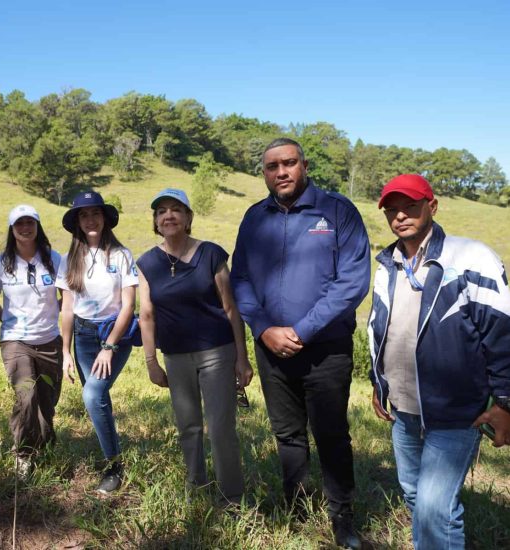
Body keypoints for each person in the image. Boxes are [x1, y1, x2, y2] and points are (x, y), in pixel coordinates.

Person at [231, 138, 370, 548]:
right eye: (272, 166)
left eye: (289, 163)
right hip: (270, 348)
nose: (281, 172)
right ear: (264, 173)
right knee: (287, 433)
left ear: (304, 165)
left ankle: (342, 515)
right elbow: (239, 278)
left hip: (325, 348)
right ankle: (294, 504)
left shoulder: (337, 210)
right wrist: (262, 328)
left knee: (331, 433)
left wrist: (302, 330)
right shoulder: (255, 217)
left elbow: (352, 281)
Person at [369, 174, 510, 549]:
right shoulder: (388, 265)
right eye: (392, 210)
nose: (400, 216)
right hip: (403, 410)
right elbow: (380, 329)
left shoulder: (470, 258)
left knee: (434, 507)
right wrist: (378, 383)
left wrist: (504, 402)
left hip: (455, 410)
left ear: (432, 206)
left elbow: (502, 334)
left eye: (410, 206)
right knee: (415, 495)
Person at [137, 188, 253, 506]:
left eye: (176, 209)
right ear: (156, 222)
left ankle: (232, 498)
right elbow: (146, 315)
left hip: (217, 351)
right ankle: (196, 488)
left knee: (219, 428)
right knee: (188, 426)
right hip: (174, 356)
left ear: (189, 217)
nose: (168, 215)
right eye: (161, 211)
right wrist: (151, 362)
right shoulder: (147, 263)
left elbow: (231, 308)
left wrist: (241, 359)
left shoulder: (212, 254)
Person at [56, 191, 137, 494]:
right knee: (98, 397)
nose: (91, 220)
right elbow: (66, 308)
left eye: (96, 214)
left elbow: (128, 306)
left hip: (114, 334)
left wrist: (110, 346)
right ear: (77, 221)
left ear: (105, 219)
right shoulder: (69, 259)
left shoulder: (121, 255)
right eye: (84, 215)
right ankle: (111, 449)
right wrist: (65, 352)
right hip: (83, 336)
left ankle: (113, 466)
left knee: (92, 396)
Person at [0, 204, 63, 476]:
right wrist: (7, 321)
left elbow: (66, 294)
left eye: (30, 222)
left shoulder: (54, 259)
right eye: (19, 224)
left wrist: (54, 311)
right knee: (27, 394)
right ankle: (23, 453)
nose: (25, 228)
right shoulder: (1, 263)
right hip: (15, 340)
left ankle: (45, 442)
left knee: (47, 398)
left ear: (37, 226)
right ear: (12, 229)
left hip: (49, 339)